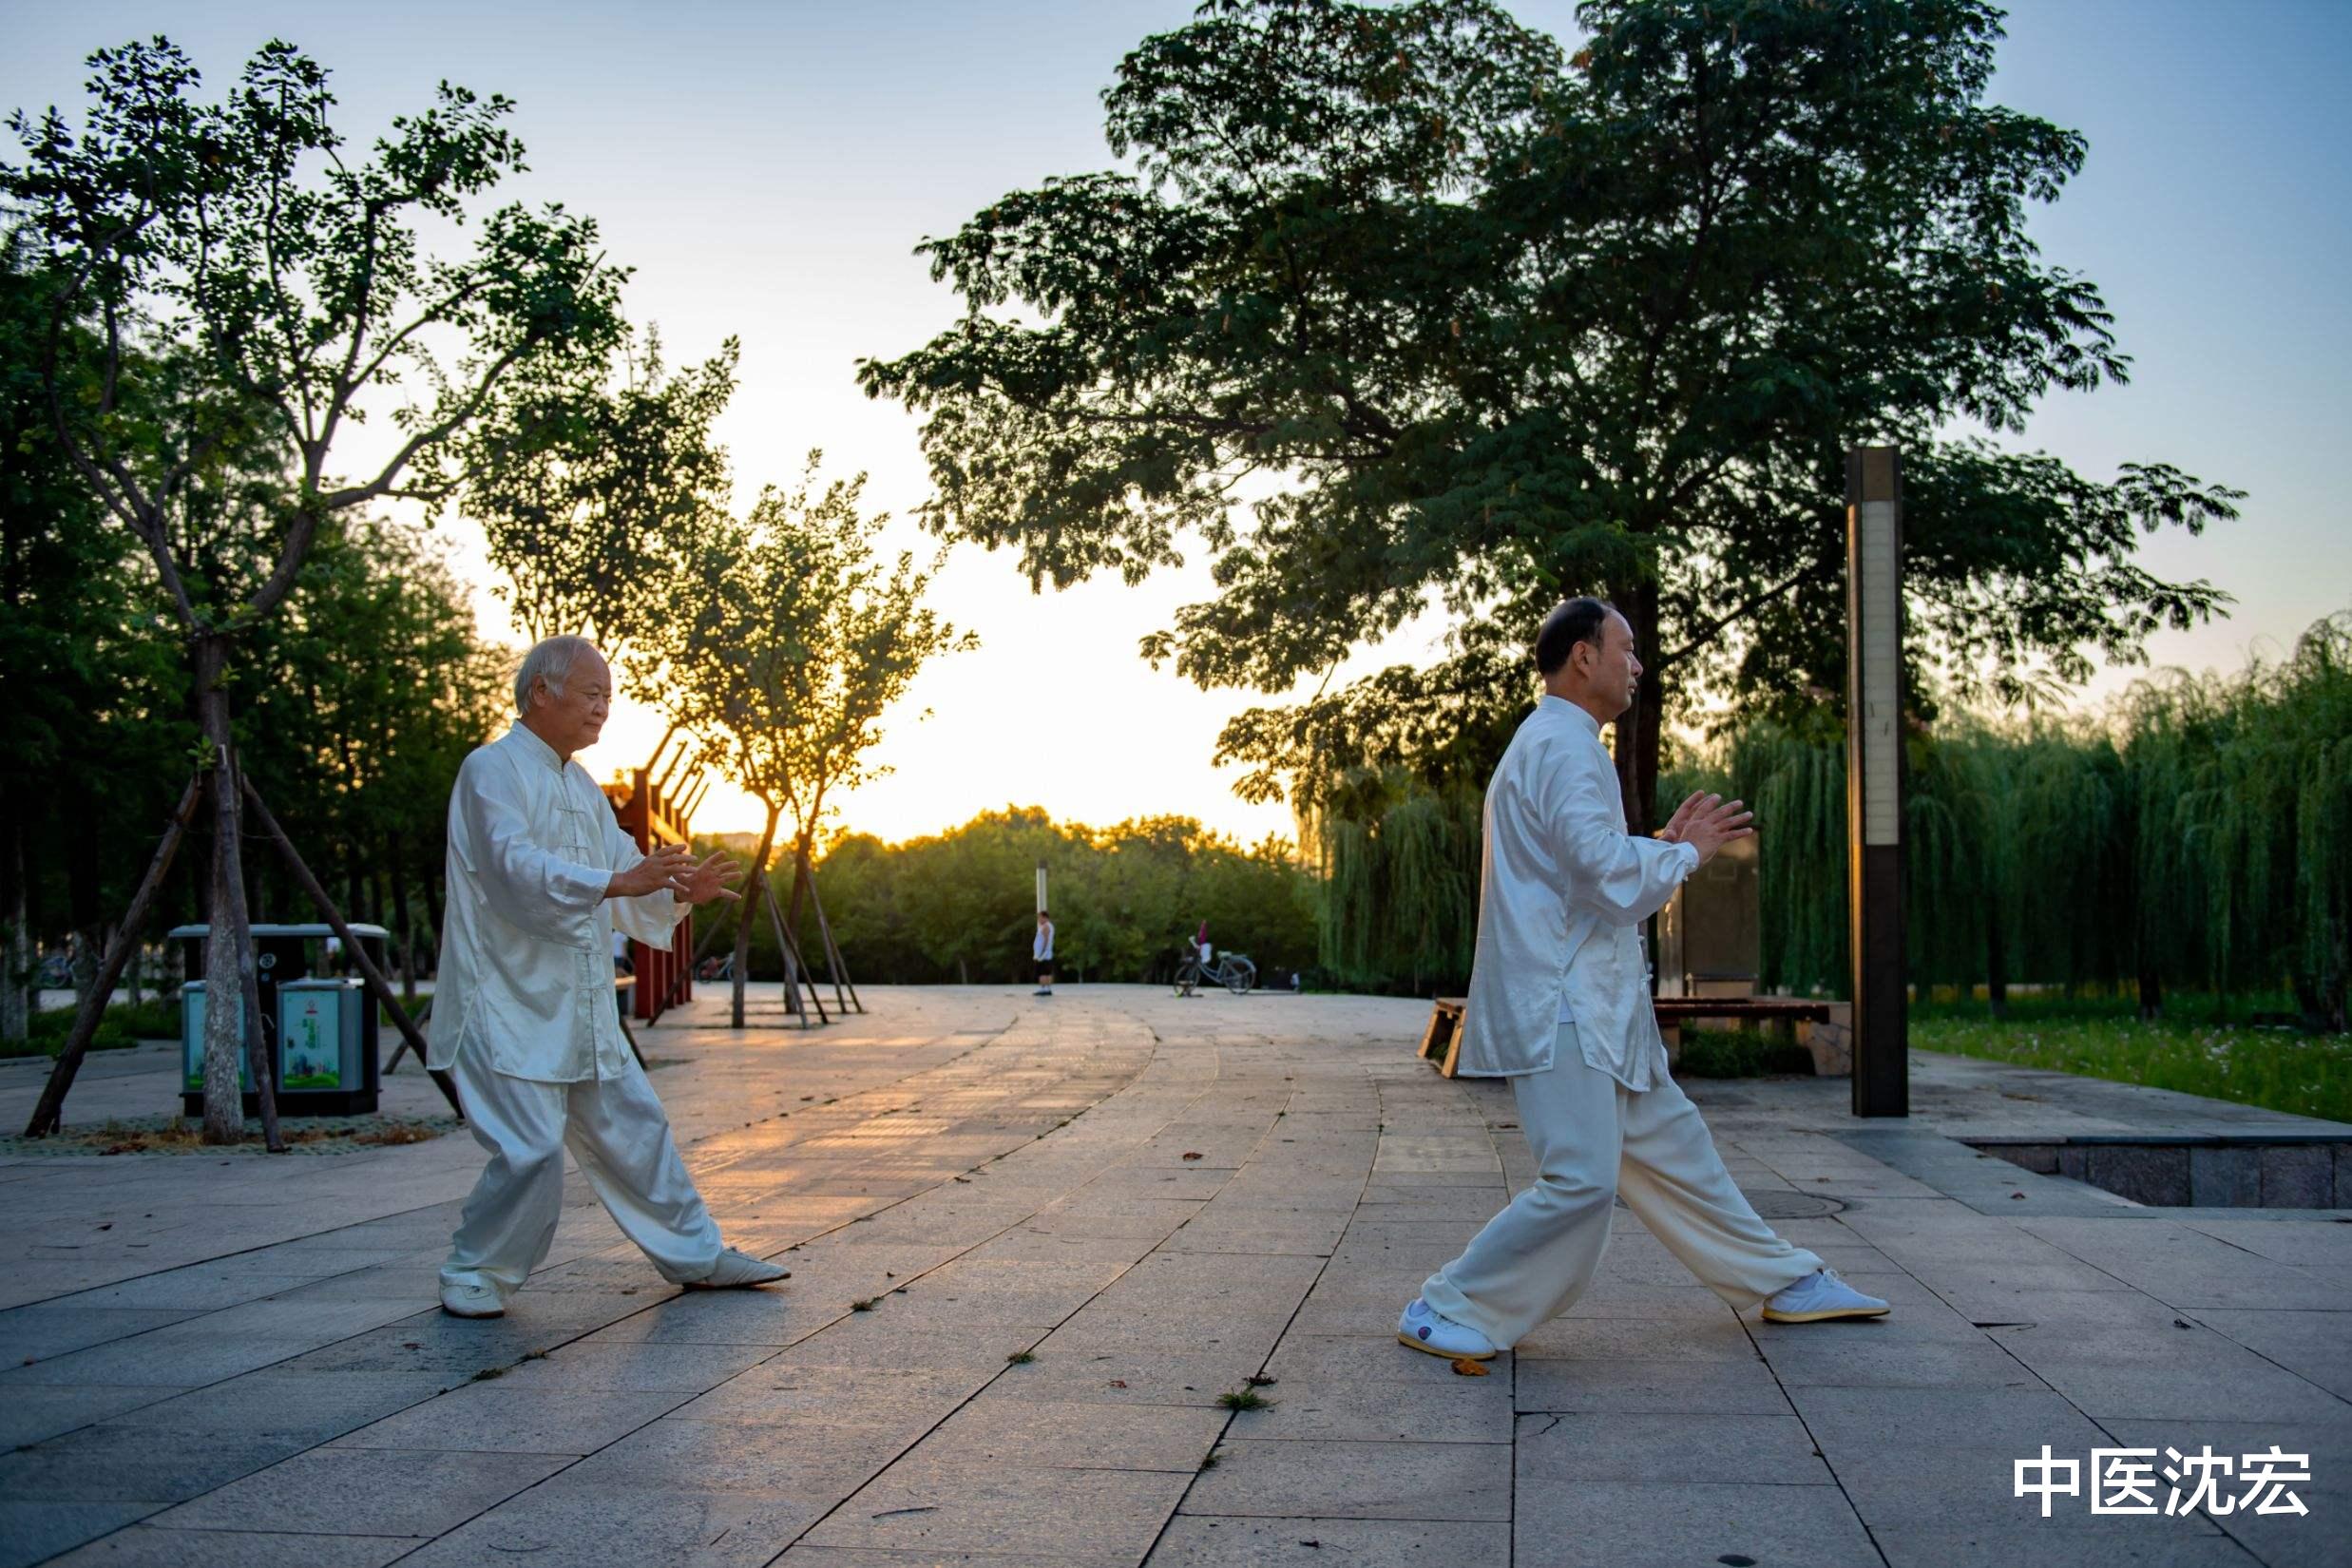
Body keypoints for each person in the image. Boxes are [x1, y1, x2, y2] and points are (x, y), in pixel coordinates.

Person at [1398, 599, 1887, 1362]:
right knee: (1580, 1180)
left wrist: (1658, 843)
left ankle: (1783, 1280)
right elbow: (1602, 873)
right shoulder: (1561, 746)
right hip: (1563, 1004)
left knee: (1673, 1149)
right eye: (1625, 648)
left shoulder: (1562, 743)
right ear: (1582, 657)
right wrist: (1683, 853)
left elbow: (1581, 862)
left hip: (1595, 1005)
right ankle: (1446, 1305)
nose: (1637, 665)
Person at [430, 635, 787, 1318]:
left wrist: (678, 892)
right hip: (506, 1001)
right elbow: (511, 867)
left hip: (580, 1003)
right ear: (541, 692)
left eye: (608, 698)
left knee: (637, 1129)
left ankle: (696, 1254)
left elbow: (626, 870)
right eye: (592, 694)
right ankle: (474, 1269)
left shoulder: (582, 787)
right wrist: (622, 881)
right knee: (531, 1150)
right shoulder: (490, 770)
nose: (602, 709)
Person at [1033, 908, 1055, 997]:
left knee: (1042, 972)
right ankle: (1047, 989)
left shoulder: (1046, 926)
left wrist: (1042, 951)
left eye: (1040, 917)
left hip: (1043, 954)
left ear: (1044, 917)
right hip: (1047, 953)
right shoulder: (1049, 926)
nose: (1039, 919)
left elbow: (1045, 940)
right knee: (1047, 972)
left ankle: (1043, 989)